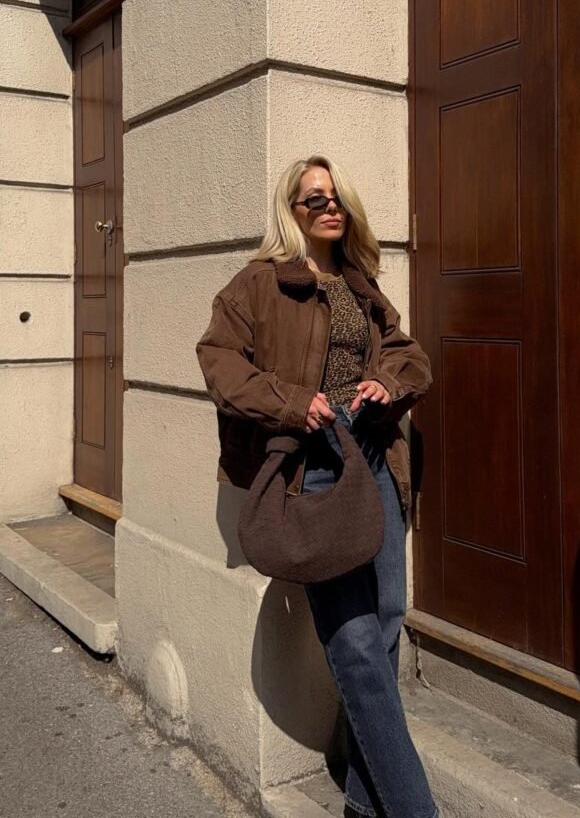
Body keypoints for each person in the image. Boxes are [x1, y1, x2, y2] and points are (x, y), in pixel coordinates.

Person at [195, 154, 438, 818]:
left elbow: (408, 354)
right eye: (313, 199)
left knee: (385, 624)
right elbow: (217, 360)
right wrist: (291, 401)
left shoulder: (360, 285)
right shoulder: (255, 284)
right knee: (356, 644)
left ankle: (363, 802)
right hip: (311, 469)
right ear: (291, 212)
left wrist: (384, 381)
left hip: (371, 460)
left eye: (336, 198)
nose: (329, 207)